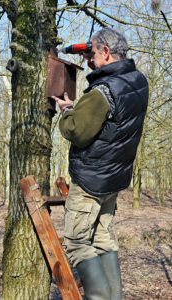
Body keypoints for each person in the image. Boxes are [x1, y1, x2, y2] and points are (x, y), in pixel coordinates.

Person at [51, 27, 148, 300]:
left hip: (90, 180)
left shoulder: (102, 91)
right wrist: (91, 60)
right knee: (103, 240)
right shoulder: (138, 81)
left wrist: (68, 109)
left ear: (106, 52)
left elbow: (77, 132)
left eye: (93, 53)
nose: (89, 59)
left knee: (77, 242)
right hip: (114, 180)